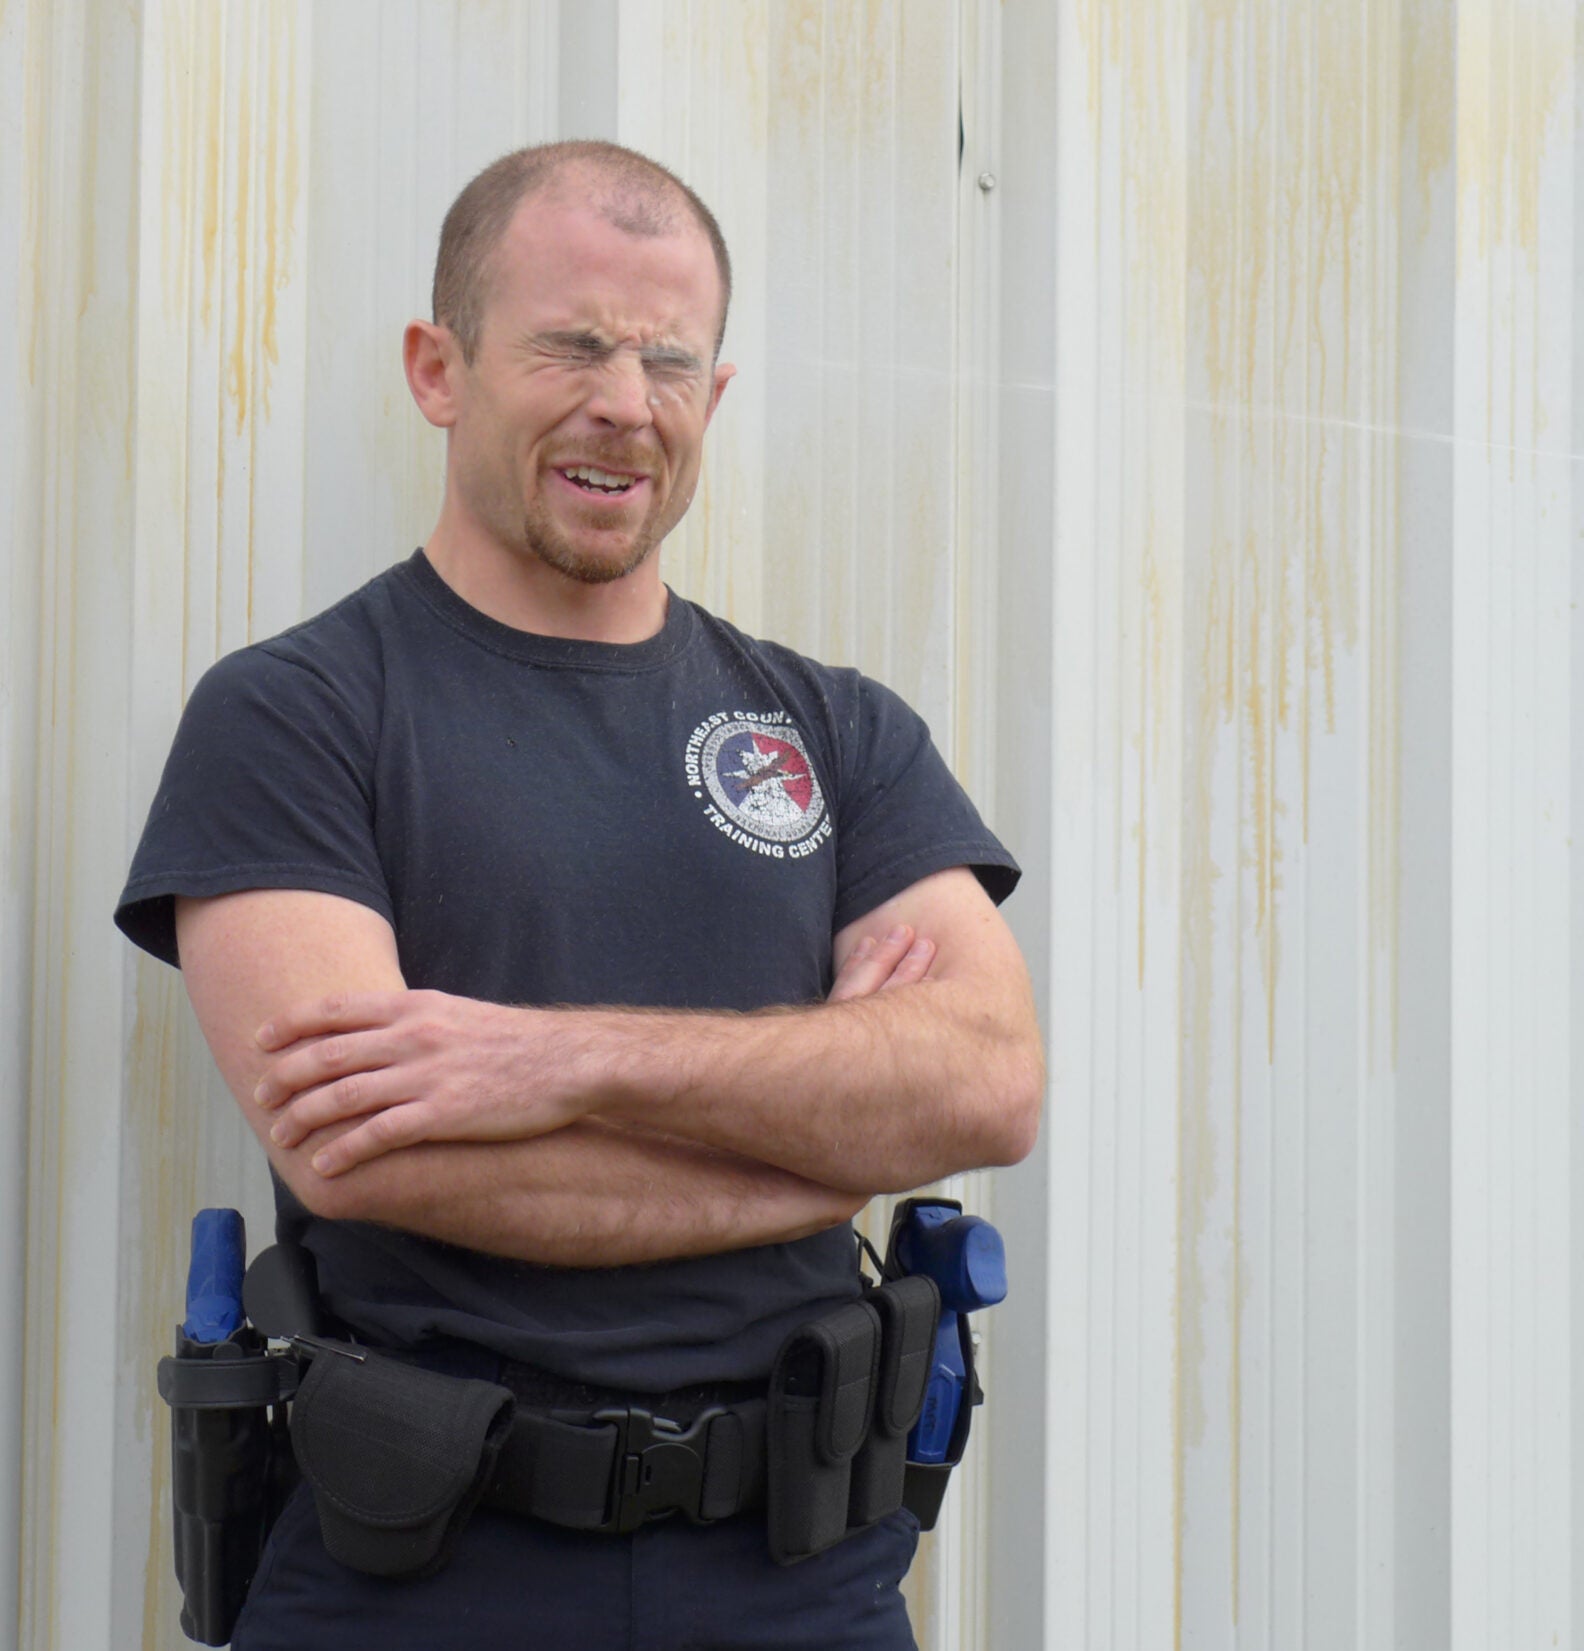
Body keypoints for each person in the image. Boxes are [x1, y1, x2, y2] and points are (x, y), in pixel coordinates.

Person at [115, 141, 1043, 1649]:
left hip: (800, 1578)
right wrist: (815, 1157)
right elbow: (366, 1154)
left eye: (671, 358)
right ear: (439, 368)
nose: (628, 399)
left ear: (714, 401)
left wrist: (557, 1061)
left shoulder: (833, 731)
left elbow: (987, 1082)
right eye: (572, 344)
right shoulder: (298, 714)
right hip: (419, 1573)